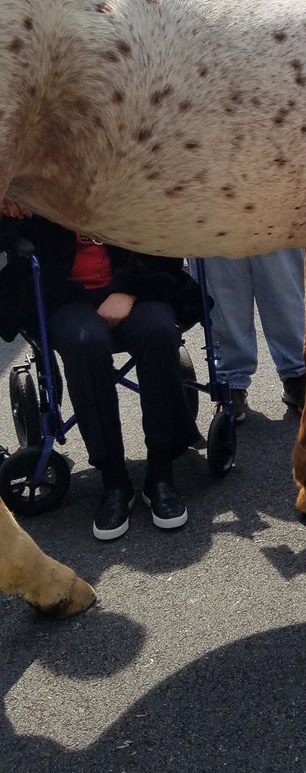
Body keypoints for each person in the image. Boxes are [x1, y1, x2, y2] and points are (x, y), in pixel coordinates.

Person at [0, 202, 203, 541]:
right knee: (86, 344)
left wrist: (128, 290)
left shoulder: (125, 170)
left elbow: (160, 230)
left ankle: (161, 474)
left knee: (158, 333)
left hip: (137, 286)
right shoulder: (33, 179)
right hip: (64, 294)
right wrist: (5, 209)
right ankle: (114, 481)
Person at [193, 0, 306, 421]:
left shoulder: (287, 20)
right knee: (223, 293)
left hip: (273, 180)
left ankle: (297, 375)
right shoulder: (193, 21)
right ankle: (232, 382)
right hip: (210, 180)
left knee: (283, 289)